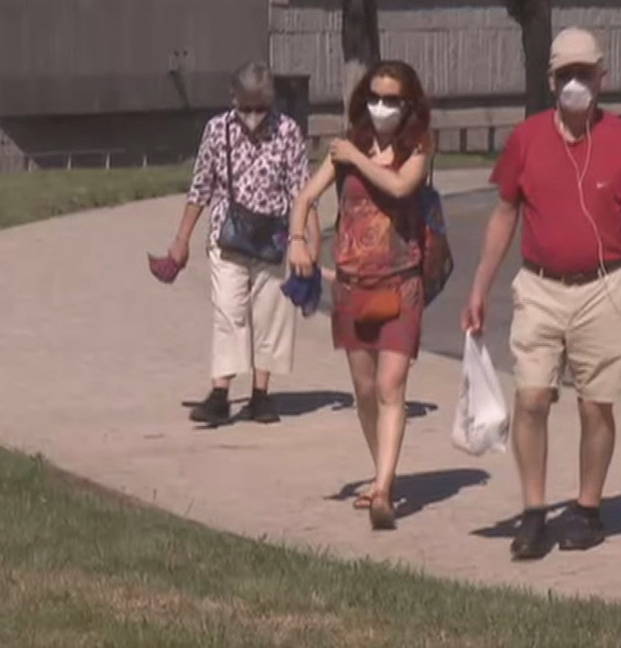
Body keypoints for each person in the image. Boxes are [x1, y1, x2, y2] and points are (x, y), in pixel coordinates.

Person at [461, 27, 621, 560]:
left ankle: (587, 507)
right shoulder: (528, 137)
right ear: (551, 80)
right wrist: (479, 287)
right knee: (532, 397)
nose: (576, 84)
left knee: (594, 406)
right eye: (566, 75)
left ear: (602, 79)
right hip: (539, 286)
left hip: (604, 287)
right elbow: (505, 214)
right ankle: (534, 512)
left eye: (585, 74)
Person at [288, 60, 433, 531]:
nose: (381, 107)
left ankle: (385, 490)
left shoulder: (417, 147)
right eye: (375, 97)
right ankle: (378, 473)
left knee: (392, 386)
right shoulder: (347, 147)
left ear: (409, 104)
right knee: (365, 389)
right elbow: (304, 197)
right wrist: (299, 242)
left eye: (392, 99)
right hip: (351, 284)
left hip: (401, 280)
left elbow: (398, 184)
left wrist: (355, 157)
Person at [168, 61, 319, 427]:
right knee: (229, 311)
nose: (253, 115)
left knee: (269, 315)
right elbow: (201, 186)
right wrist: (182, 238)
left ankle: (260, 395)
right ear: (233, 99)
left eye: (260, 107)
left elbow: (303, 193)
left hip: (274, 237)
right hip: (228, 236)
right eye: (246, 106)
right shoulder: (217, 131)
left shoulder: (287, 132)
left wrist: (310, 248)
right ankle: (220, 393)